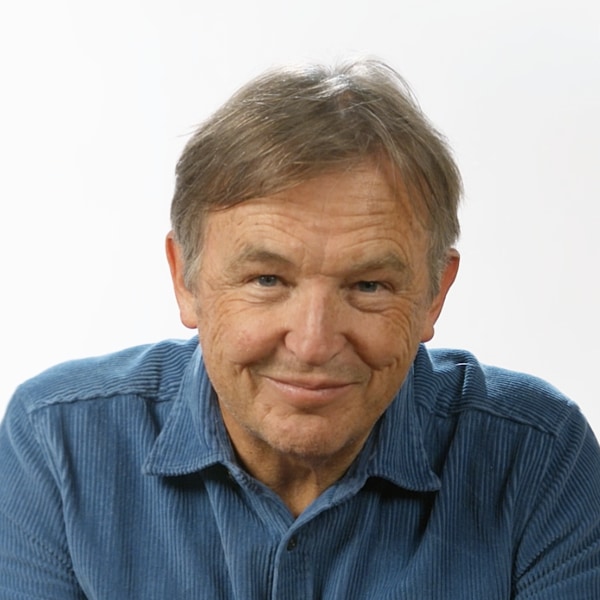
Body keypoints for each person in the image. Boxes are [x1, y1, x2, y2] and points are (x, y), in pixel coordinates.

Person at [0, 58, 598, 600]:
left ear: (434, 294)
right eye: (267, 280)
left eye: (368, 286)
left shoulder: (540, 458)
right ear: (187, 279)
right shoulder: (58, 445)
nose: (313, 343)